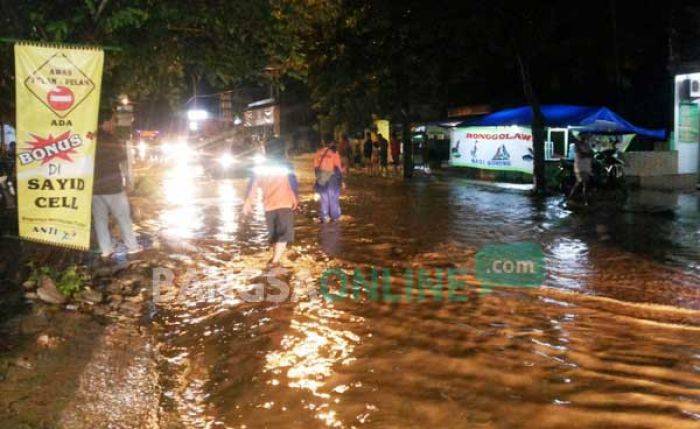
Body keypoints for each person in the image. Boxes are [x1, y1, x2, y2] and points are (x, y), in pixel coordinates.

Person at [242, 139, 299, 268]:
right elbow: (293, 184)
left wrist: (248, 203)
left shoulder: (260, 168)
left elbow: (252, 186)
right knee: (284, 235)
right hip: (284, 204)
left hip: (268, 206)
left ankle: (274, 257)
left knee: (274, 235)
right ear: (282, 150)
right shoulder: (286, 165)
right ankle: (275, 262)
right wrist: (296, 199)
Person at [92, 110, 141, 259]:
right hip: (112, 186)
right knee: (123, 217)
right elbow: (122, 158)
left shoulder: (89, 138)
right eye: (112, 121)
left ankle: (106, 249)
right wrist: (128, 180)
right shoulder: (111, 139)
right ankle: (132, 247)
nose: (114, 124)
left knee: (100, 220)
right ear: (105, 123)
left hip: (94, 188)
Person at [313, 135, 344, 223]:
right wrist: (341, 181)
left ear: (323, 141)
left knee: (324, 198)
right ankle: (335, 216)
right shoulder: (334, 153)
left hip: (322, 177)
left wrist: (318, 179)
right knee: (333, 198)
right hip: (332, 178)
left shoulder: (318, 153)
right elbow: (338, 167)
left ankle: (325, 216)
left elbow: (316, 167)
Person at [568, 134, 594, 205]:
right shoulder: (576, 145)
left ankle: (581, 198)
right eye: (582, 136)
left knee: (584, 183)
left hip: (586, 165)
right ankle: (582, 199)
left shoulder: (587, 144)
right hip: (580, 166)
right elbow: (581, 154)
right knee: (581, 182)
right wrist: (588, 154)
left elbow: (591, 153)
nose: (584, 138)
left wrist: (589, 155)